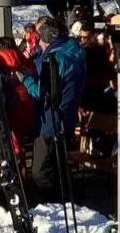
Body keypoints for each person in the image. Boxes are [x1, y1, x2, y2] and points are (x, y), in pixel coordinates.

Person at [22, 17, 86, 199]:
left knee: (41, 171)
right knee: (58, 167)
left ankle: (53, 204)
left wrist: (26, 78)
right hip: (66, 118)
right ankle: (65, 201)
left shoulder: (54, 60)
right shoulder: (73, 53)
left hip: (50, 121)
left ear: (47, 39)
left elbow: (44, 93)